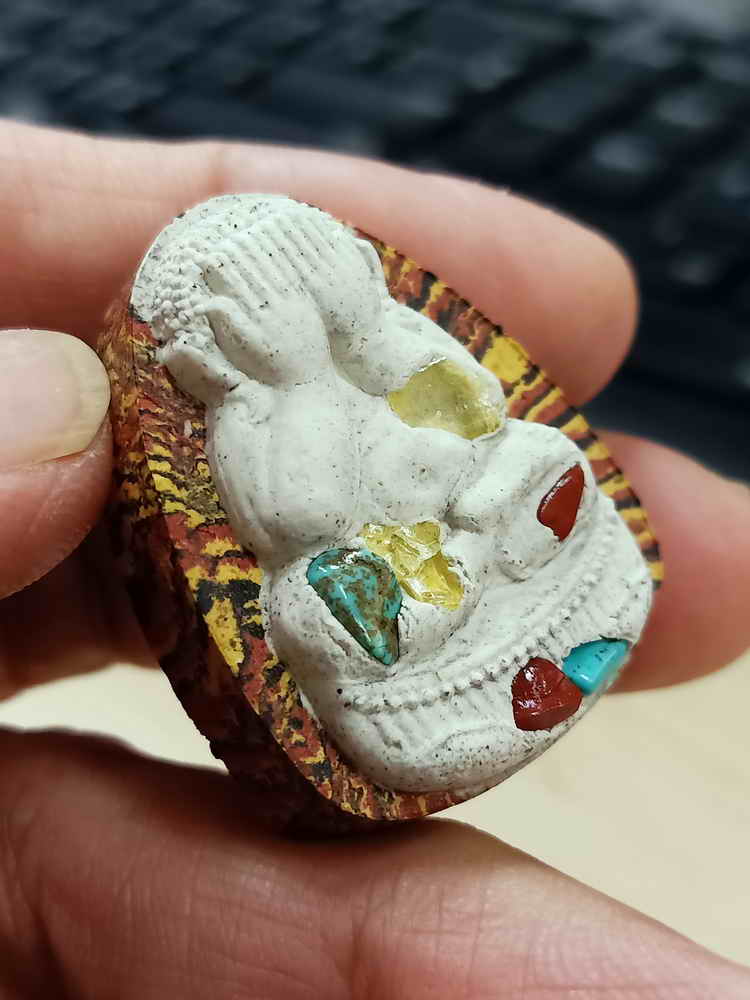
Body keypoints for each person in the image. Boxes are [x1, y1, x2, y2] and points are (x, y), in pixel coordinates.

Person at [0, 120, 748, 997]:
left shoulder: (388, 332)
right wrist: (301, 376)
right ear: (213, 348)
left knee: (544, 457)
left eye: (320, 278)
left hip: (478, 529)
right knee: (316, 608)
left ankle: (510, 616)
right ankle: (442, 668)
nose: (310, 311)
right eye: (272, 306)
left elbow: (479, 405)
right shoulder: (253, 408)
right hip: (403, 579)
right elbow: (305, 515)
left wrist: (369, 334)